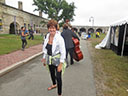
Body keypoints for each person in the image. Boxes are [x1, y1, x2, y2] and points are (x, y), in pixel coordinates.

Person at [41, 19, 66, 96]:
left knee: (58, 77)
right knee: (51, 73)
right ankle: (54, 84)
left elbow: (63, 51)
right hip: (49, 58)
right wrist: (44, 58)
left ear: (56, 28)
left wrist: (61, 64)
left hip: (57, 59)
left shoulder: (59, 38)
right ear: (48, 28)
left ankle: (59, 94)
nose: (51, 29)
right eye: (50, 28)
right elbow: (45, 48)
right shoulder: (47, 36)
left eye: (53, 28)